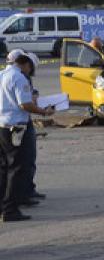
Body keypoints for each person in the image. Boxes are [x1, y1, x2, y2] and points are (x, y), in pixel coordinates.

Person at [0, 51, 54, 222]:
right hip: (16, 127)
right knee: (17, 168)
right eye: (31, 68)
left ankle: (3, 205)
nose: (30, 73)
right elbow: (25, 105)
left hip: (2, 125)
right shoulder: (19, 77)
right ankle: (10, 209)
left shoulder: (2, 74)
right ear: (26, 64)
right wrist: (44, 112)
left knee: (3, 168)